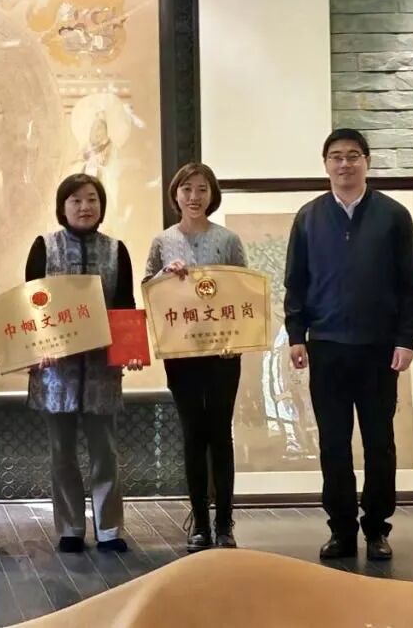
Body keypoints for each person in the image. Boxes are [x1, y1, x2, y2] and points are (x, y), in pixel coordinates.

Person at [284, 128, 413, 562]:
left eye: (352, 156)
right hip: (327, 347)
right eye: (336, 157)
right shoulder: (309, 217)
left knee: (380, 442)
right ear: (325, 164)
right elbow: (296, 283)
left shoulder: (393, 215)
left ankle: (377, 528)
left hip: (379, 349)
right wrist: (296, 335)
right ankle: (341, 530)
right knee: (333, 443)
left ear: (367, 161)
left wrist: (406, 340)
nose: (344, 164)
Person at [25, 173, 142, 554]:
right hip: (55, 370)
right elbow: (28, 307)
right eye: (75, 200)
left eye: (91, 199)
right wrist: (34, 350)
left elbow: (125, 307)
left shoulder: (116, 250)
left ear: (101, 206)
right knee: (62, 452)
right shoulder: (44, 247)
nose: (84, 207)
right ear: (63, 207)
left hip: (101, 369)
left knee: (105, 451)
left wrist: (130, 351)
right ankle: (71, 528)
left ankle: (109, 528)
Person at [143, 162, 247, 551]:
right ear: (176, 195)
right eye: (187, 189)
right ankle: (199, 521)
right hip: (182, 352)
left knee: (221, 433)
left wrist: (237, 338)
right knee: (192, 434)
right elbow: (148, 289)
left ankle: (225, 523)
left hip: (223, 351)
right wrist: (165, 276)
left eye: (202, 189)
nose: (194, 196)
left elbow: (243, 291)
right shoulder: (162, 241)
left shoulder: (228, 240)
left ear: (212, 195)